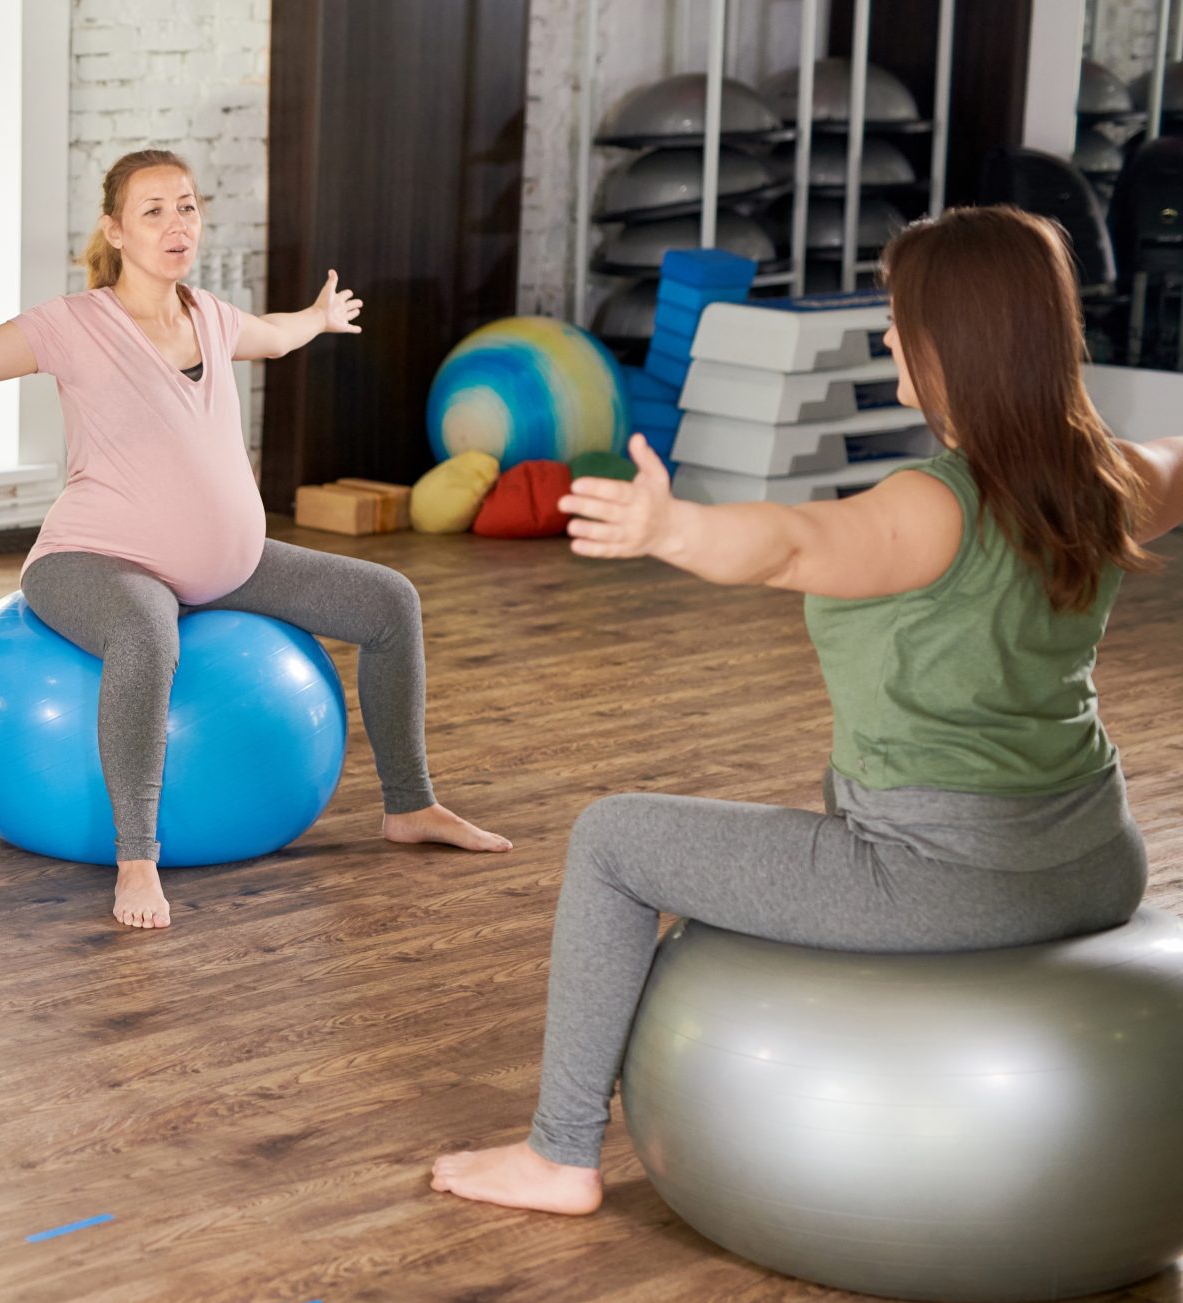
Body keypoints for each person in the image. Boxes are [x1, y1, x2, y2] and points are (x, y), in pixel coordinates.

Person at [430, 206, 1183, 1216]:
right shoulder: (1106, 475)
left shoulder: (933, 505)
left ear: (952, 341)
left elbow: (786, 542)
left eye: (896, 318)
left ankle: (558, 1153)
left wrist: (672, 525)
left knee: (610, 839)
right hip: (1095, 860)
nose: (884, 337)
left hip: (945, 877)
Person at [0, 147, 508, 930]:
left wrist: (320, 319)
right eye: (154, 211)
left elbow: (273, 336)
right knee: (144, 630)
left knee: (389, 600)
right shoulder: (74, 326)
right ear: (116, 230)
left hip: (226, 567)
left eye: (188, 206)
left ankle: (410, 805)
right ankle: (138, 857)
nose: (177, 224)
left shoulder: (209, 315)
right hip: (95, 561)